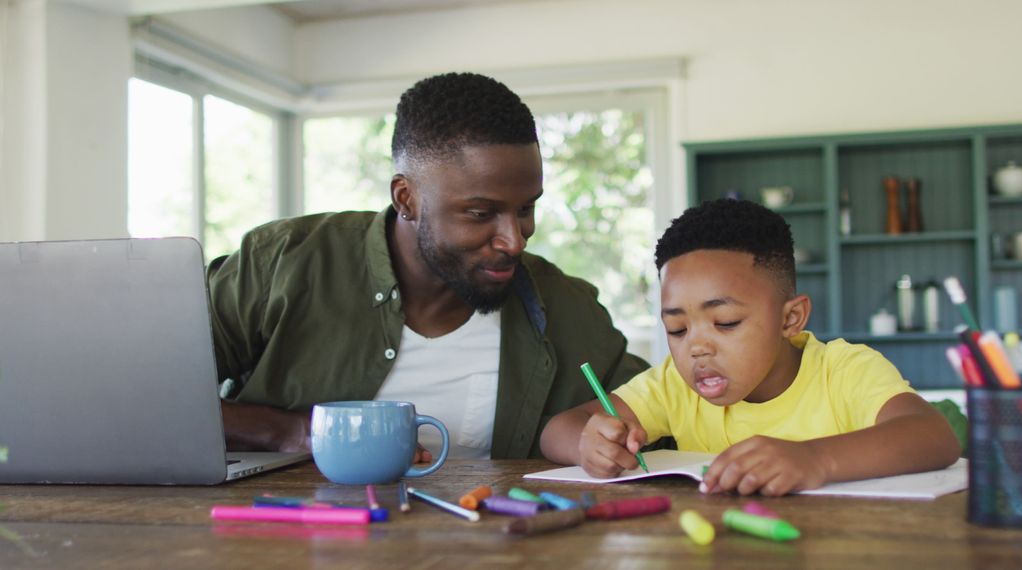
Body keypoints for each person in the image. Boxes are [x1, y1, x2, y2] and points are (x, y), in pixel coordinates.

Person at [207, 72, 649, 460]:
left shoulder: (565, 306)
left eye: (526, 209)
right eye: (480, 213)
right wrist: (293, 432)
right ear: (407, 198)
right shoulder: (282, 262)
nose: (514, 240)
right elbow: (149, 390)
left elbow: (668, 406)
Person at [539, 198, 961, 495]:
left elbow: (933, 437)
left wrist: (814, 460)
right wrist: (588, 443)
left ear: (790, 318)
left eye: (726, 323)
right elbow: (558, 429)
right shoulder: (674, 384)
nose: (697, 349)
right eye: (677, 329)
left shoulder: (844, 371)